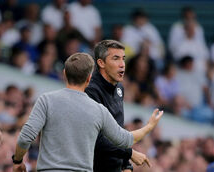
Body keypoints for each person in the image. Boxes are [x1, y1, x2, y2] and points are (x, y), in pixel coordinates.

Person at [12, 52, 163, 172]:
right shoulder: (98, 110)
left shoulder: (46, 100)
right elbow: (125, 139)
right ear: (89, 78)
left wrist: (18, 161)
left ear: (64, 73)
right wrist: (149, 127)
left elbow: (26, 137)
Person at [85, 40, 152, 172]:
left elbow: (118, 131)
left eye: (123, 59)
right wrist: (130, 154)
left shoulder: (119, 88)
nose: (122, 65)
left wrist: (126, 165)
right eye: (116, 59)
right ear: (101, 63)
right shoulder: (90, 90)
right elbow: (96, 138)